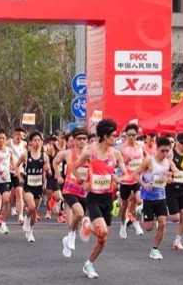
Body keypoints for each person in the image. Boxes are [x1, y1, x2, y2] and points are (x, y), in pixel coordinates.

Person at [70, 119, 121, 279]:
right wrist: (83, 182)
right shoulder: (90, 152)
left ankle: (89, 263)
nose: (116, 138)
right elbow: (73, 167)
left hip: (108, 198)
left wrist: (118, 178)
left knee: (103, 238)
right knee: (103, 230)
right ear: (105, 136)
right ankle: (87, 223)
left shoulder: (115, 153)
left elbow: (126, 173)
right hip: (93, 198)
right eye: (114, 135)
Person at [134, 136, 181, 260]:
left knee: (162, 223)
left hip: (161, 198)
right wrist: (144, 184)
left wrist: (172, 176)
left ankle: (155, 249)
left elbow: (178, 174)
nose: (164, 153)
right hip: (148, 198)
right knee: (148, 228)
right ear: (157, 149)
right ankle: (140, 210)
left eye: (167, 151)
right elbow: (135, 173)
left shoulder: (168, 162)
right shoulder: (149, 161)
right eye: (162, 151)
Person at [54, 127, 89, 258]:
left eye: (84, 138)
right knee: (79, 213)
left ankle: (68, 239)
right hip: (69, 189)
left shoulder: (90, 154)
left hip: (83, 191)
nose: (82, 141)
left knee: (78, 217)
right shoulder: (67, 153)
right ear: (73, 140)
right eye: (79, 139)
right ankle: (72, 234)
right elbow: (55, 162)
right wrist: (58, 175)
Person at [15, 131, 52, 243]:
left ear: (42, 142)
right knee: (31, 206)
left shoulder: (45, 156)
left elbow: (49, 173)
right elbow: (16, 165)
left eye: (39, 140)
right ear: (30, 142)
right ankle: (26, 218)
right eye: (35, 140)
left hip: (39, 186)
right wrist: (19, 177)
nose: (37, 142)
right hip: (28, 186)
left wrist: (47, 169)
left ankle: (30, 231)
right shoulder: (26, 155)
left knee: (34, 211)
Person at [117, 123, 145, 238]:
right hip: (126, 181)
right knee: (124, 205)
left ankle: (136, 222)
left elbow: (147, 158)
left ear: (137, 135)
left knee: (140, 200)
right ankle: (123, 225)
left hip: (137, 179)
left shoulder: (141, 147)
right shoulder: (122, 148)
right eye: (129, 135)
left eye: (133, 135)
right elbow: (116, 164)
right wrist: (125, 161)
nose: (131, 137)